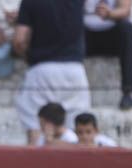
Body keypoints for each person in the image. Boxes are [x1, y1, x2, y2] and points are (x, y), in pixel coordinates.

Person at [13, 0, 91, 146]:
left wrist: (27, 55)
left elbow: (19, 40)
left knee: (36, 130)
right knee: (76, 133)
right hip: (75, 71)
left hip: (41, 71)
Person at [83, 0, 132, 110]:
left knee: (127, 29)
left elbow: (125, 10)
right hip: (84, 34)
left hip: (112, 34)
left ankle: (127, 91)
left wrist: (110, 14)